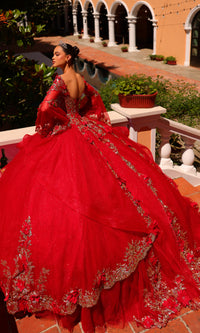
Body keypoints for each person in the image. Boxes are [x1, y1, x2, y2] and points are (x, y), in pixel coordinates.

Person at [0, 42, 200, 333]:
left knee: (73, 202)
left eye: (57, 53)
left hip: (67, 136)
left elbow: (45, 108)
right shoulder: (81, 79)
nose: (53, 57)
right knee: (120, 188)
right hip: (87, 131)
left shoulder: (59, 80)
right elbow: (93, 104)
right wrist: (74, 118)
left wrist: (49, 128)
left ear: (68, 57)